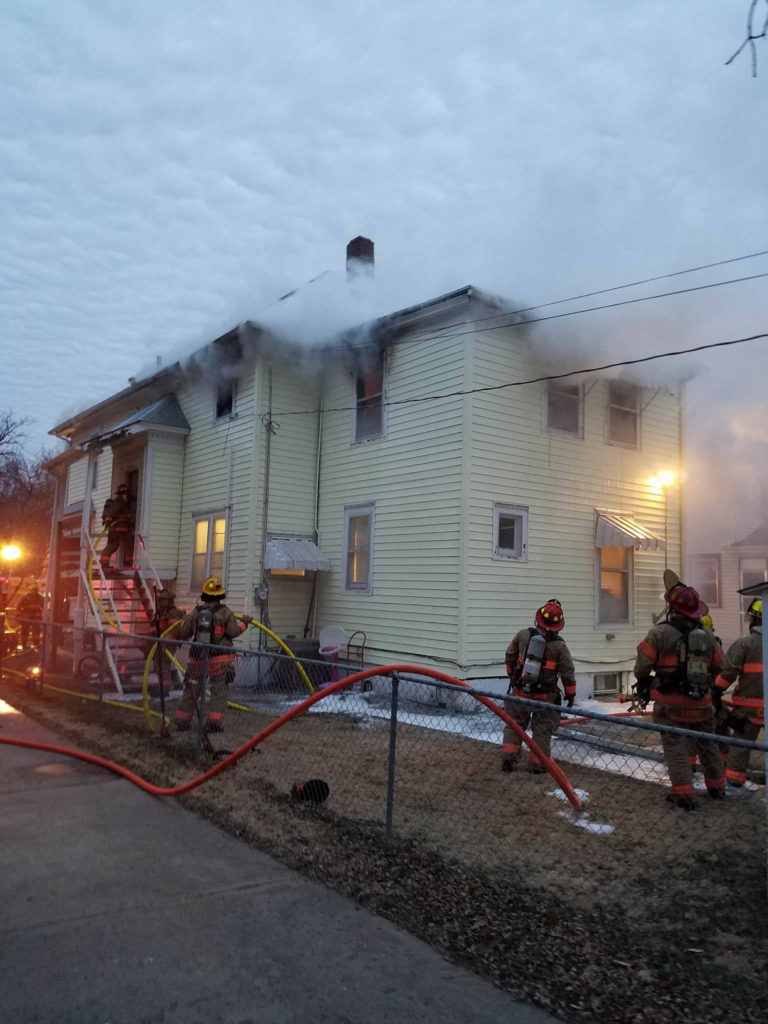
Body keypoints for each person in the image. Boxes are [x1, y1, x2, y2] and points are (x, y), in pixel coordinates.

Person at [634, 574, 725, 810]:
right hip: (702, 704)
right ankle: (717, 788)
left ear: (671, 607)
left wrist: (646, 681)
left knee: (675, 746)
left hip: (670, 704)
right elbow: (720, 668)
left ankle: (684, 794)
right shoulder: (707, 636)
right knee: (708, 744)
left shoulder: (660, 633)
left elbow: (642, 666)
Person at [501, 599, 576, 773]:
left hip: (520, 693)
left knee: (514, 725)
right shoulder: (560, 647)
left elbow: (509, 654)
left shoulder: (523, 635)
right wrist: (570, 695)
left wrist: (512, 675)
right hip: (545, 699)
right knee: (542, 731)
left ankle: (508, 759)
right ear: (559, 626)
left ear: (538, 619)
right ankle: (537, 765)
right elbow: (568, 673)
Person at [173, 576, 247, 733]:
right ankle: (213, 724)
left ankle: (182, 721)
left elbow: (184, 631)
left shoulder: (196, 612)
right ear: (220, 595)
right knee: (218, 691)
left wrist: (182, 621)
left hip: (197, 658)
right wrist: (244, 623)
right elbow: (233, 632)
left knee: (191, 689)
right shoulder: (225, 612)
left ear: (204, 595)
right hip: (220, 660)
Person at [712, 597, 764, 788]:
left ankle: (735, 782)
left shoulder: (746, 643)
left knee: (741, 744)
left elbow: (728, 673)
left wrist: (716, 691)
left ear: (756, 620)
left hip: (749, 708)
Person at [100, 484, 135, 570]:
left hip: (122, 529)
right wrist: (109, 521)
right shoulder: (119, 502)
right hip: (117, 529)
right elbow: (111, 512)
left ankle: (127, 562)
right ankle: (104, 564)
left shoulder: (123, 502)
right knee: (113, 545)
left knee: (128, 544)